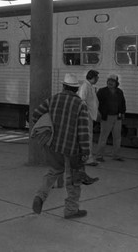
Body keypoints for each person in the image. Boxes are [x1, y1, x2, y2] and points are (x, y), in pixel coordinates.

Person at [31, 73, 92, 220]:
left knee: (53, 172)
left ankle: (40, 196)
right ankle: (71, 210)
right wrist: (86, 151)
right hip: (72, 150)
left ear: (63, 86)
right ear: (76, 89)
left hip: (54, 146)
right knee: (73, 180)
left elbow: (35, 115)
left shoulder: (53, 99)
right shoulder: (80, 105)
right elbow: (83, 131)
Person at [95, 74, 126, 162]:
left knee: (117, 137)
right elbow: (96, 103)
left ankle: (116, 155)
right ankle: (99, 156)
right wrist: (98, 113)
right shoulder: (102, 91)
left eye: (112, 81)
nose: (110, 83)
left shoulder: (119, 92)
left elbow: (123, 103)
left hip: (117, 117)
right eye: (109, 81)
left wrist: (123, 113)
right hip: (106, 117)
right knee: (103, 137)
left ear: (116, 83)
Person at [77, 69, 99, 166]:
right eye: (97, 77)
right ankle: (88, 158)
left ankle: (87, 157)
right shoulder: (85, 86)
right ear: (93, 77)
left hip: (90, 115)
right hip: (87, 115)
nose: (98, 79)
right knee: (87, 137)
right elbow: (82, 100)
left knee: (88, 136)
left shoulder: (89, 86)